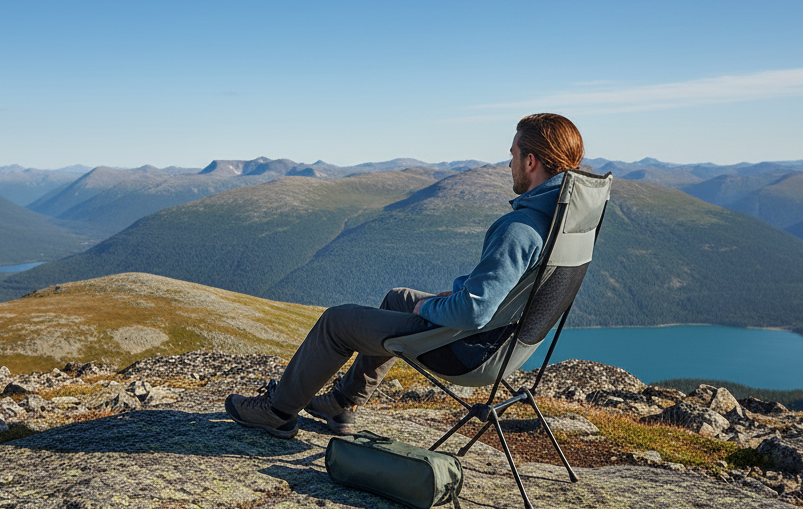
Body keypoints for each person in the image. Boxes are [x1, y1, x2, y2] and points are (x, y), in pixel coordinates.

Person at [225, 113, 585, 438]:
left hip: (467, 351)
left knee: (336, 322)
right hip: (508, 349)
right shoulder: (568, 222)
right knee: (398, 297)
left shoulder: (520, 229)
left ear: (531, 160)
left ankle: (278, 411)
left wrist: (427, 309)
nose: (509, 164)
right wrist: (430, 303)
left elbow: (473, 312)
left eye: (512, 155)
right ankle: (343, 404)